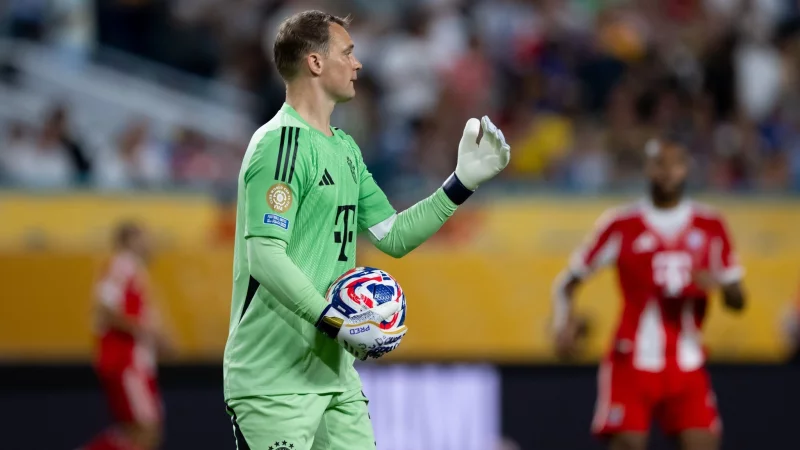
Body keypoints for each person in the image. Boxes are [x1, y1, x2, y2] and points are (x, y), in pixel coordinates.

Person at [223, 10, 510, 450]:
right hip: (272, 382)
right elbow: (265, 256)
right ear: (315, 63)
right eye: (348, 52)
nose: (358, 64)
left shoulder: (345, 149)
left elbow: (392, 236)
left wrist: (461, 182)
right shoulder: (280, 144)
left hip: (334, 379)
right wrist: (334, 321)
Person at [551, 136, 746, 450]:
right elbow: (567, 281)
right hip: (632, 361)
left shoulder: (711, 225)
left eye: (676, 164)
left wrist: (722, 285)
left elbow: (738, 300)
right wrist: (562, 324)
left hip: (687, 363)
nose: (668, 172)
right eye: (660, 163)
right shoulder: (621, 224)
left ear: (686, 169)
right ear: (648, 168)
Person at [81, 222, 174, 450]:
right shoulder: (122, 265)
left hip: (133, 363)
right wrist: (148, 331)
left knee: (136, 432)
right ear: (129, 241)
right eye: (145, 237)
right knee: (146, 431)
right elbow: (104, 308)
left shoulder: (135, 271)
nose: (151, 243)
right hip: (126, 361)